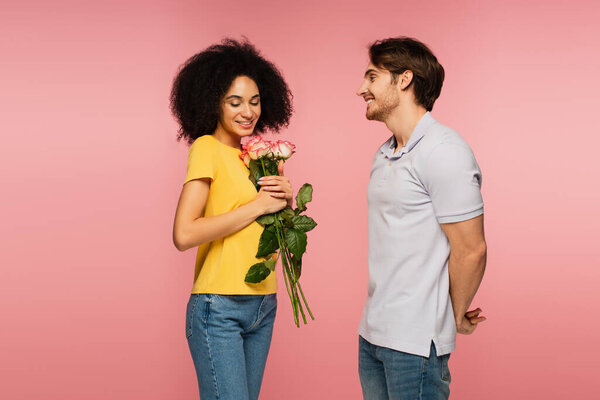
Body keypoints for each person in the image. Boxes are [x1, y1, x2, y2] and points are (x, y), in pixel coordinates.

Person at [356, 37, 488, 399]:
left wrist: (456, 314)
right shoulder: (384, 152)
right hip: (372, 336)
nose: (360, 89)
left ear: (404, 79)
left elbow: (471, 249)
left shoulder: (444, 151)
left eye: (371, 77)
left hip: (414, 345)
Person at [170, 38, 294, 400]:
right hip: (218, 306)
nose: (248, 111)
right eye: (235, 102)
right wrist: (257, 206)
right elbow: (183, 233)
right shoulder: (207, 147)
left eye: (254, 101)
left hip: (263, 302)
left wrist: (284, 200)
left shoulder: (254, 157)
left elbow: (269, 230)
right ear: (214, 103)